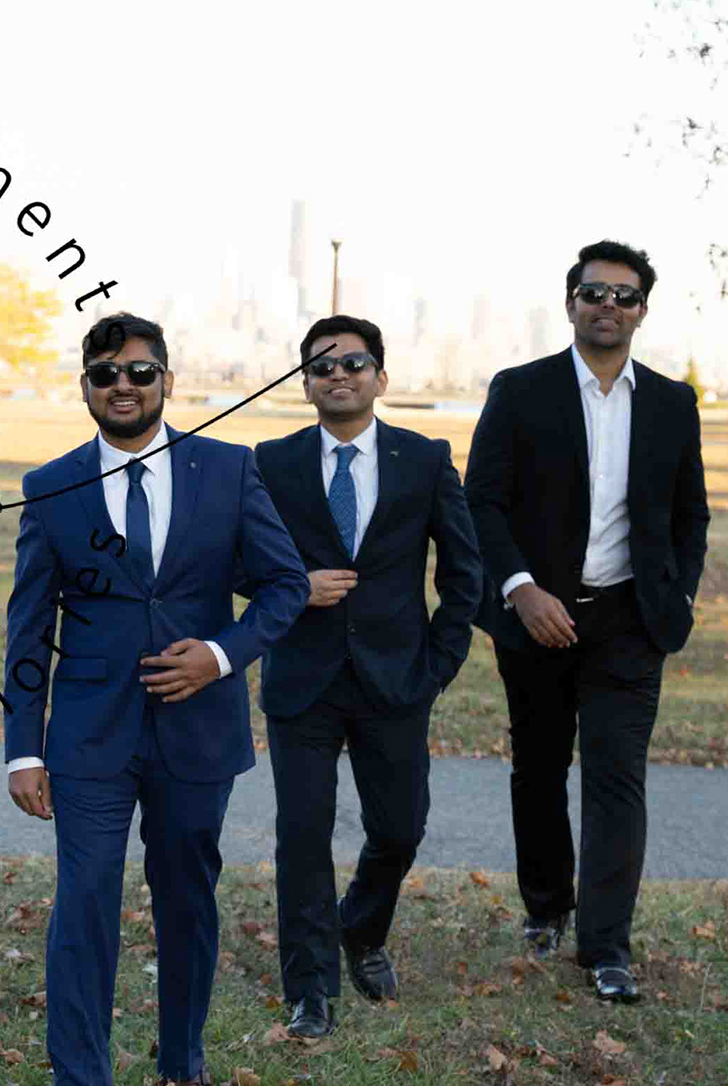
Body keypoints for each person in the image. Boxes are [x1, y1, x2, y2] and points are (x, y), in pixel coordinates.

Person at [2, 312, 308, 1086]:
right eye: (105, 374)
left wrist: (219, 656)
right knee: (85, 900)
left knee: (186, 901)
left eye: (140, 372)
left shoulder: (228, 469)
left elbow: (286, 585)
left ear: (167, 380)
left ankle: (182, 1064)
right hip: (88, 737)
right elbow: (29, 626)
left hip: (198, 733)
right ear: (85, 387)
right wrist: (23, 748)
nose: (124, 386)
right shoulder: (51, 485)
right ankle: (81, 1075)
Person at [464, 240, 709, 1004]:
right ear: (570, 302)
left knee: (617, 779)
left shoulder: (672, 403)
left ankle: (606, 948)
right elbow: (482, 502)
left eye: (624, 296)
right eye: (595, 292)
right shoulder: (520, 390)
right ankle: (546, 907)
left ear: (642, 311)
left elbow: (691, 516)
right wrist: (521, 589)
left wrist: (679, 595)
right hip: (536, 617)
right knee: (539, 770)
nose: (609, 305)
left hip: (630, 622)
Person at [252, 316, 481, 1038]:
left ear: (381, 378)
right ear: (305, 385)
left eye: (353, 363)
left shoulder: (425, 459)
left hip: (397, 679)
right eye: (322, 367)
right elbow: (235, 560)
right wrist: (294, 589)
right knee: (303, 835)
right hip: (303, 680)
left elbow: (464, 571)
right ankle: (310, 988)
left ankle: (362, 927)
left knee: (400, 829)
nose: (339, 375)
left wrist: (438, 664)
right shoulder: (271, 463)